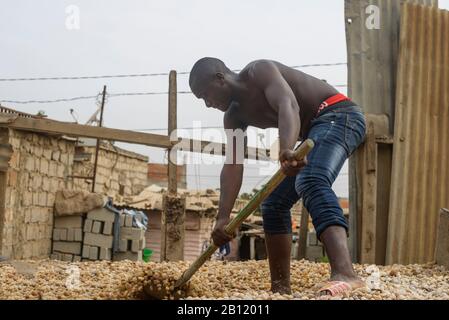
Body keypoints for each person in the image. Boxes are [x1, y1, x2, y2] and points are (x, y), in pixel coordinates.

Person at [189, 58, 366, 297]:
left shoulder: (259, 72)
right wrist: (222, 218)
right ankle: (280, 289)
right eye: (202, 100)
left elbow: (288, 105)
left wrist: (286, 150)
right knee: (273, 203)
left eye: (205, 95)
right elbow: (233, 163)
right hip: (313, 131)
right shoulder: (234, 117)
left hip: (339, 115)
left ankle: (346, 273)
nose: (208, 104)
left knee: (311, 179)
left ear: (220, 78)